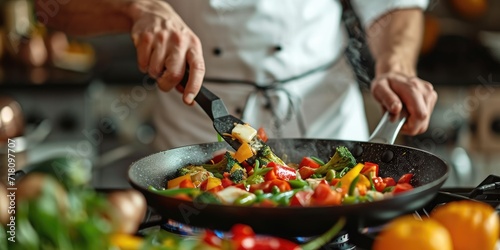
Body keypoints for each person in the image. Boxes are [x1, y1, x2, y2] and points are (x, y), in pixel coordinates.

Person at [36, 0, 437, 149]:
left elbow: (392, 4)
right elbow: (49, 6)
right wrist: (135, 8)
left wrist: (396, 65)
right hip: (195, 127)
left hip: (323, 120)